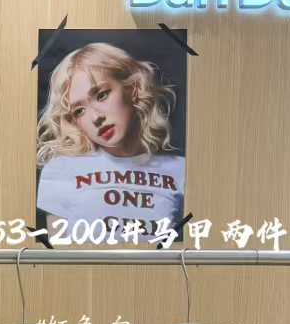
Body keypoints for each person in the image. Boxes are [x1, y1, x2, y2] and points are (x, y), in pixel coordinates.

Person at [36, 42, 184, 244]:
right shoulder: (62, 170)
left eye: (101, 95)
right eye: (79, 111)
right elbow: (57, 257)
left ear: (133, 89)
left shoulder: (181, 170)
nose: (96, 117)